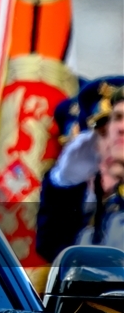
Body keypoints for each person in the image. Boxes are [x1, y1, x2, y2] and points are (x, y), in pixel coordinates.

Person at [37, 77, 124, 261]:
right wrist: (64, 184)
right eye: (102, 133)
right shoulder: (102, 201)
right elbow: (53, 248)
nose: (112, 140)